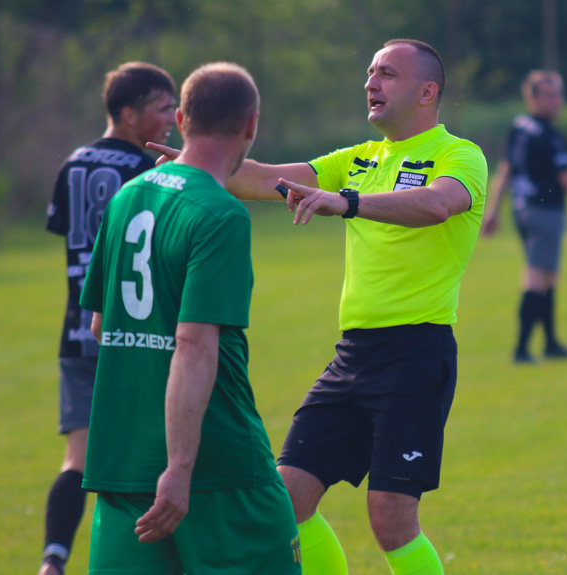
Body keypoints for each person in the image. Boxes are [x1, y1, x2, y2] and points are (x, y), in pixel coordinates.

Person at [151, 38, 487, 575]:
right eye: (370, 71)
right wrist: (198, 162)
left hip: (416, 353)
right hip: (352, 356)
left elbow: (438, 203)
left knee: (391, 519)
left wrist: (348, 202)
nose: (371, 82)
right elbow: (261, 178)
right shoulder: (359, 158)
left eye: (387, 74)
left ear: (427, 92)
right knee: (286, 502)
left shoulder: (459, 155)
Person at [79, 61, 302, 575]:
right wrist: (179, 469)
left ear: (180, 118)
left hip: (124, 457)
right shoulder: (219, 213)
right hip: (216, 466)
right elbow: (194, 344)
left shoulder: (127, 196)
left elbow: (99, 325)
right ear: (252, 125)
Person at [41, 62, 177, 575]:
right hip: (134, 336)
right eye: (163, 108)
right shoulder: (146, 172)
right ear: (127, 113)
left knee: (78, 460)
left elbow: (71, 239)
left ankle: (53, 558)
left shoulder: (72, 164)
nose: (172, 119)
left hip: (76, 332)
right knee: (152, 461)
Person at [480, 69, 567, 364]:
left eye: (560, 95)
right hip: (545, 212)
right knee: (536, 277)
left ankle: (551, 343)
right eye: (550, 95)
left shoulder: (519, 127)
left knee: (548, 275)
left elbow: (505, 170)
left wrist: (493, 211)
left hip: (522, 209)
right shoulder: (549, 136)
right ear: (532, 97)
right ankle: (521, 349)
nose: (558, 102)